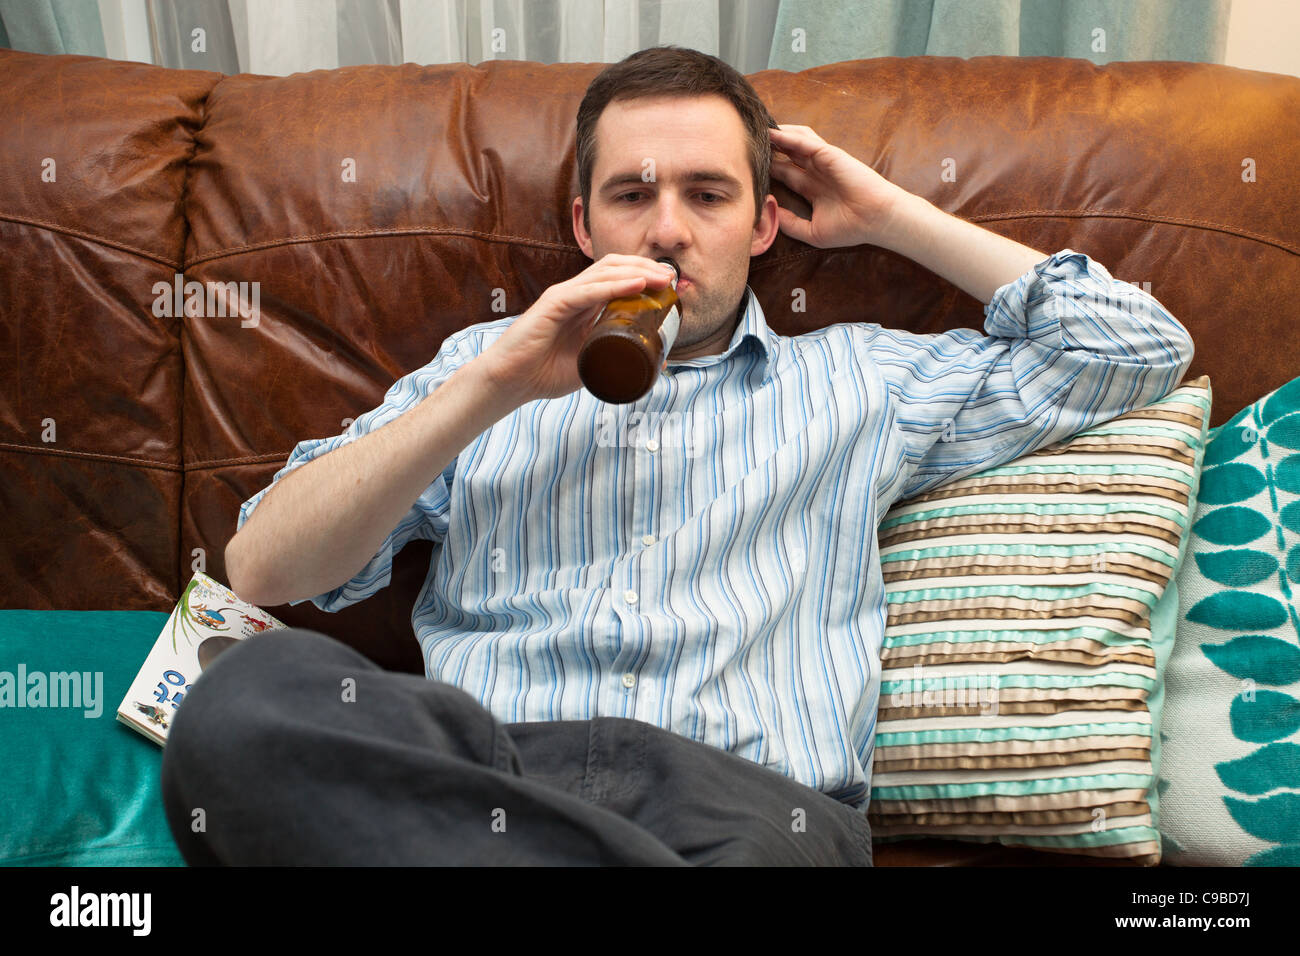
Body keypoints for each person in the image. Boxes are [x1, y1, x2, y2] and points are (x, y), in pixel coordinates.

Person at [161, 45, 1194, 866]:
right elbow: (263, 569)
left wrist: (886, 215)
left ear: (765, 224)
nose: (666, 231)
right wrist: (493, 387)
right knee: (248, 698)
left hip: (748, 809)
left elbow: (1133, 350)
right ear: (582, 222)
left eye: (708, 195)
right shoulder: (484, 367)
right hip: (496, 787)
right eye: (631, 195)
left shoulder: (864, 381)